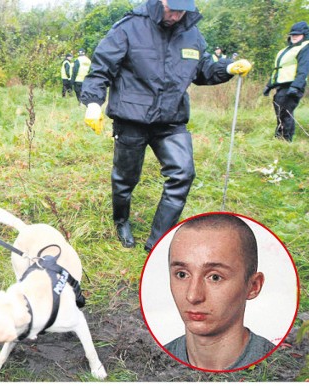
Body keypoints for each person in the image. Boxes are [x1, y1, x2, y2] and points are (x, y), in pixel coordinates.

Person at [81, 0, 252, 252]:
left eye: (183, 10)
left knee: (183, 173)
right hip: (131, 119)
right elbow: (100, 70)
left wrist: (226, 67)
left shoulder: (191, 33)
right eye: (172, 8)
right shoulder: (128, 27)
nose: (176, 15)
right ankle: (121, 221)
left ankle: (158, 242)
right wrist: (93, 103)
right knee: (125, 179)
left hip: (171, 119)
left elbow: (202, 70)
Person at [164, 214, 276, 371]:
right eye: (182, 274)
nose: (193, 296)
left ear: (253, 286)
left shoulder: (282, 371)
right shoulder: (150, 366)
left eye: (215, 277)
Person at [263, 21, 309, 142]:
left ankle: (284, 139)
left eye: (298, 34)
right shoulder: (287, 49)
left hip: (292, 86)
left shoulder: (305, 48)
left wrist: (296, 86)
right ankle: (281, 138)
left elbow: (303, 69)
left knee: (285, 113)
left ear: (304, 35)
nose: (294, 36)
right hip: (282, 87)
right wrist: (269, 85)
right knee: (280, 112)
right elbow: (278, 70)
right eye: (293, 34)